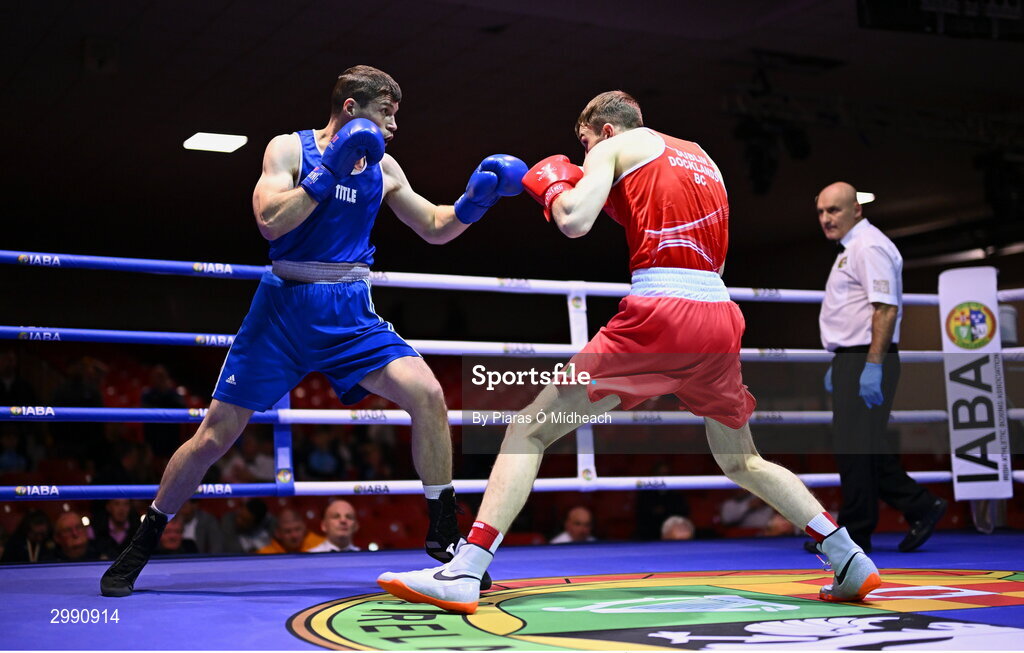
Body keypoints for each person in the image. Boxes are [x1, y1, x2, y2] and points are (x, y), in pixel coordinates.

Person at [378, 90, 881, 614]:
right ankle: (848, 557)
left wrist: (549, 187)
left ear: (605, 129)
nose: (584, 151)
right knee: (742, 459)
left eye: (585, 140)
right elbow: (655, 219)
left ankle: (466, 569)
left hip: (660, 314)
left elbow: (575, 221)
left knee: (528, 427)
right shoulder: (701, 158)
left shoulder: (613, 147)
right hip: (718, 318)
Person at [102, 65, 525, 596]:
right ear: (352, 109)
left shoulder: (385, 165)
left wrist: (475, 202)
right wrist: (328, 172)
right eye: (386, 113)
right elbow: (270, 222)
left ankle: (445, 540)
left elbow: (436, 227)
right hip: (282, 308)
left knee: (428, 393)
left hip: (349, 309)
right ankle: (143, 539)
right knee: (214, 435)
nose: (394, 126)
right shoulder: (289, 149)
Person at [813, 181, 947, 554]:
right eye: (822, 212)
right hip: (853, 356)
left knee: (856, 447)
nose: (826, 218)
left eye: (834, 210)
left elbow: (885, 308)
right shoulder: (852, 247)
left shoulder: (869, 246)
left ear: (857, 209)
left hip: (867, 357)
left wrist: (870, 364)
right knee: (861, 446)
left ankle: (855, 534)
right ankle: (920, 505)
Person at [257, 508, 324, 554]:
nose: (294, 536)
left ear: (304, 528)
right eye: (287, 531)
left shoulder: (321, 545)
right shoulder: (265, 555)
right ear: (277, 533)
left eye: (297, 529)